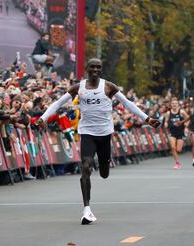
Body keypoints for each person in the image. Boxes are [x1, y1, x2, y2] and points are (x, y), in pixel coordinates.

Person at [36, 58, 160, 225]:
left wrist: (147, 119)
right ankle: (86, 210)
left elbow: (128, 104)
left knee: (104, 173)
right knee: (85, 167)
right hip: (87, 132)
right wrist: (43, 118)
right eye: (92, 67)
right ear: (87, 69)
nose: (95, 69)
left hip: (105, 134)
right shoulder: (78, 87)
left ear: (101, 70)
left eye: (98, 67)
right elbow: (58, 104)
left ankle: (104, 164)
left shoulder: (109, 86)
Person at [164, 97, 189, 169]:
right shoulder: (168, 113)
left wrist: (186, 126)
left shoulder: (181, 112)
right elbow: (166, 121)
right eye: (173, 103)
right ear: (171, 105)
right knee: (172, 147)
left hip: (180, 132)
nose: (174, 105)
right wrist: (166, 124)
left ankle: (177, 161)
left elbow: (188, 119)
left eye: (175, 103)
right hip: (172, 132)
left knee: (178, 150)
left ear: (178, 104)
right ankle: (177, 162)